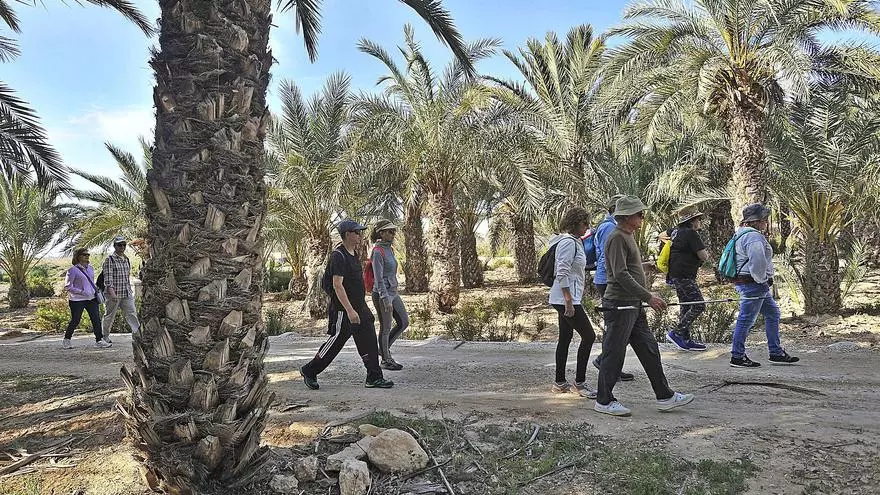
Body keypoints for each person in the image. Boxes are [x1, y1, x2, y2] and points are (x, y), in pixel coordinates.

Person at [595, 196, 694, 417]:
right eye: (639, 214)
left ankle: (665, 396)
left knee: (649, 348)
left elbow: (627, 267)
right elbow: (619, 273)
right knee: (613, 352)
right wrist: (648, 296)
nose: (642, 217)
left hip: (633, 304)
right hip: (620, 304)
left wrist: (643, 267)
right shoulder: (617, 237)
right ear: (628, 216)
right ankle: (604, 400)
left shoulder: (627, 236)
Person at [300, 219, 394, 389]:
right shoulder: (339, 255)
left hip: (360, 307)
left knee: (369, 339)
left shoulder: (353, 254)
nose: (360, 235)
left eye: (360, 232)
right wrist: (350, 311)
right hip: (344, 310)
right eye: (357, 232)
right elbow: (337, 285)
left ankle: (374, 376)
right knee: (336, 342)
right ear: (347, 234)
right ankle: (310, 370)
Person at [729, 204, 800, 368]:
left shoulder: (740, 233)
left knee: (773, 313)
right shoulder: (754, 237)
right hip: (754, 284)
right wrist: (762, 280)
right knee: (746, 319)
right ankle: (737, 356)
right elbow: (758, 261)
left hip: (749, 282)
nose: (766, 222)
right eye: (764, 219)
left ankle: (775, 352)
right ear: (758, 220)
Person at [548, 207, 597, 398]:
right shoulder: (568, 243)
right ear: (576, 223)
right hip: (566, 299)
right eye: (585, 223)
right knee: (589, 336)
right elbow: (562, 272)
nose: (587, 227)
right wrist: (568, 300)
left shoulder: (574, 242)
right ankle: (580, 383)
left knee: (565, 338)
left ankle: (560, 382)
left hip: (567, 298)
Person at [591, 194, 635, 382]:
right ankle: (606, 363)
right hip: (608, 280)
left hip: (605, 278)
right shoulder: (611, 229)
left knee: (620, 327)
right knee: (617, 327)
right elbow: (614, 261)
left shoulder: (604, 226)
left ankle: (610, 364)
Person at [664, 209, 709, 351]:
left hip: (676, 274)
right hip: (685, 275)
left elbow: (661, 235)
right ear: (692, 221)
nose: (699, 222)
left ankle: (685, 338)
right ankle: (677, 333)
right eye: (698, 219)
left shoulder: (675, 232)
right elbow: (703, 256)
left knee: (686, 305)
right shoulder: (691, 233)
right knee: (698, 305)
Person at [369, 219, 410, 371]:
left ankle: (383, 350)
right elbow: (378, 279)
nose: (393, 234)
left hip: (393, 292)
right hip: (382, 294)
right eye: (390, 231)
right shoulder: (378, 252)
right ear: (381, 233)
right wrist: (385, 299)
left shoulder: (389, 249)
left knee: (404, 322)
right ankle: (386, 360)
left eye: (394, 231)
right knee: (385, 327)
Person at [62, 248, 111, 349]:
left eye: (88, 254)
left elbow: (91, 281)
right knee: (75, 320)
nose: (87, 256)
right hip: (77, 300)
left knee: (96, 319)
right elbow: (67, 286)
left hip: (91, 298)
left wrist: (95, 289)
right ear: (78, 256)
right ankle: (67, 339)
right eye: (84, 254)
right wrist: (81, 292)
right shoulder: (73, 270)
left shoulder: (91, 268)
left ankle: (99, 340)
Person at [101, 236, 140, 342]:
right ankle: (104, 336)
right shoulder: (110, 260)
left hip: (126, 292)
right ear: (114, 246)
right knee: (110, 316)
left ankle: (137, 335)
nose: (122, 247)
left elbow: (127, 276)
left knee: (132, 313)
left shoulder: (126, 259)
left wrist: (129, 290)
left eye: (124, 245)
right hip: (114, 294)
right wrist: (112, 294)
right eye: (119, 245)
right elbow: (108, 279)